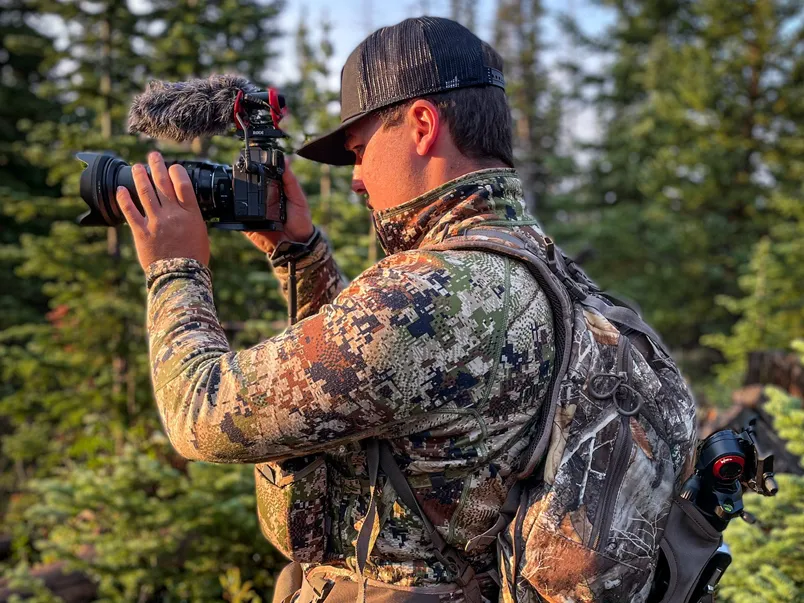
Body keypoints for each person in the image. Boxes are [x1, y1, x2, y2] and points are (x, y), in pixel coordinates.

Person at [117, 16, 558, 603]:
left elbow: (200, 412)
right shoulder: (537, 264)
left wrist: (174, 267)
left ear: (423, 125)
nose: (355, 180)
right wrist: (298, 253)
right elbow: (381, 379)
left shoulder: (423, 294)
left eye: (358, 150)